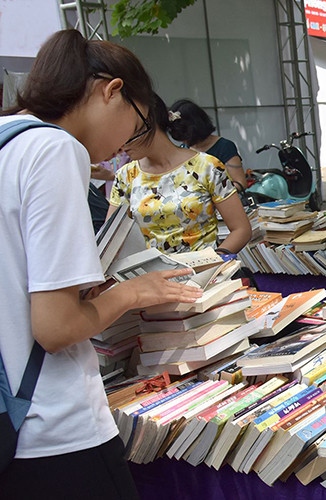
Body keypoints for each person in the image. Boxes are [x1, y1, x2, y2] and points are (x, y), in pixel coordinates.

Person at [0, 29, 202, 498]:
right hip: (51, 428)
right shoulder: (55, 149)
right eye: (136, 124)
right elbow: (56, 328)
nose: (125, 146)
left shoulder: (7, 140)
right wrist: (132, 292)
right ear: (111, 91)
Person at [109, 94, 252, 255]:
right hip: (153, 270)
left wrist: (214, 260)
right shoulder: (126, 176)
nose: (120, 145)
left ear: (148, 123)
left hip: (205, 267)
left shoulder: (207, 166)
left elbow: (241, 229)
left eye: (124, 133)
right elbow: (112, 241)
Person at [167, 99, 247, 189]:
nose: (185, 142)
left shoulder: (224, 147)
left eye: (186, 137)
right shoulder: (184, 148)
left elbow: (240, 183)